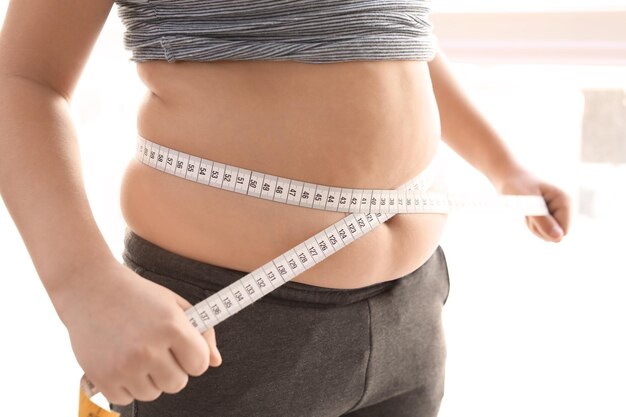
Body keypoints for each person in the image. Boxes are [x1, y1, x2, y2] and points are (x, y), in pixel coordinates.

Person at [0, 1, 571, 416]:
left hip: (412, 310)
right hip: (225, 326)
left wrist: (503, 164)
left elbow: (392, 30)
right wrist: (81, 286)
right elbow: (23, 80)